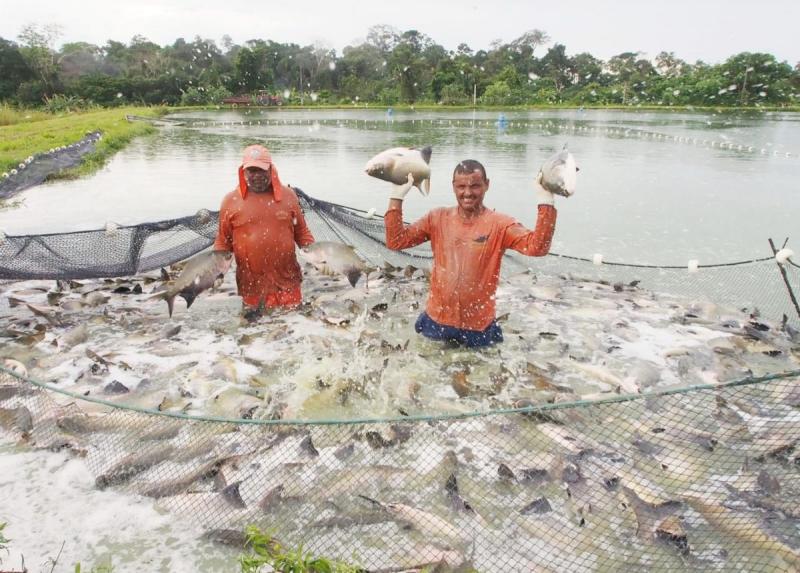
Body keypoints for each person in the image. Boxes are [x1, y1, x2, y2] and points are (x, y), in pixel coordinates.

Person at [384, 160, 557, 347]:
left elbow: (537, 247)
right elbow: (396, 241)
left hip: (478, 326)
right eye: (461, 187)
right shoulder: (437, 218)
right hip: (437, 320)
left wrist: (546, 200)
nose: (467, 193)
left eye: (475, 186)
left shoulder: (500, 224)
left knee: (480, 365)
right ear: (453, 186)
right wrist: (396, 196)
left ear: (487, 185)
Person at [214, 144, 315, 317]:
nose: (257, 176)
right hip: (251, 285)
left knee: (293, 325)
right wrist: (216, 273)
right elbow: (223, 242)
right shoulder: (230, 201)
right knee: (255, 330)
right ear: (243, 171)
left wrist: (321, 259)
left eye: (261, 170)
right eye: (251, 171)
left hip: (288, 280)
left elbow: (302, 233)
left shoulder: (289, 196)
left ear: (271, 169)